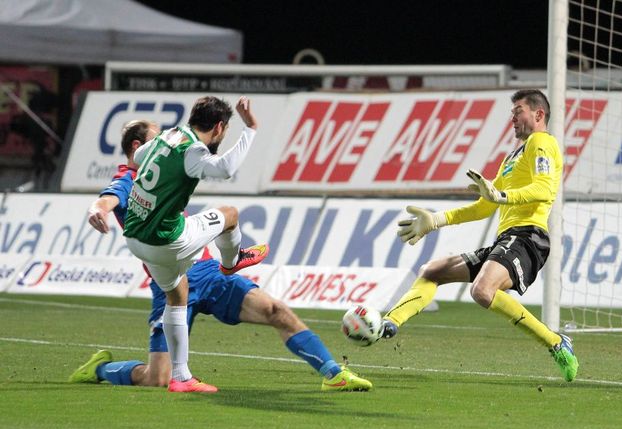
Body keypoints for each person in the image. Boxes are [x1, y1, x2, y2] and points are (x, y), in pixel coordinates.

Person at [69, 119, 371, 392]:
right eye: (156, 137)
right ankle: (100, 368)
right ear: (137, 147)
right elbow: (107, 199)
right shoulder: (128, 180)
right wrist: (98, 210)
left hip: (207, 273)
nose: (164, 142)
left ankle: (334, 374)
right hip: (170, 284)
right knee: (156, 379)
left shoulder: (164, 169)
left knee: (275, 310)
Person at [379, 89, 579, 382]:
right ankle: (389, 322)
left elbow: (545, 188)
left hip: (528, 237)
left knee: (481, 291)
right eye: (512, 112)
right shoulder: (513, 156)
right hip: (507, 239)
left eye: (518, 110)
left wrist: (502, 194)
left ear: (538, 114)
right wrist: (436, 220)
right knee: (432, 270)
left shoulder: (542, 142)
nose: (512, 117)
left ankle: (556, 342)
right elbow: (486, 206)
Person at [120, 96, 270, 392]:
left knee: (177, 295)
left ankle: (181, 377)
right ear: (219, 127)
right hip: (166, 240)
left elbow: (137, 159)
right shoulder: (193, 150)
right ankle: (232, 262)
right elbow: (225, 168)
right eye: (225, 132)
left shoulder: (169, 136)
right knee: (230, 215)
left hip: (136, 238)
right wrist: (250, 128)